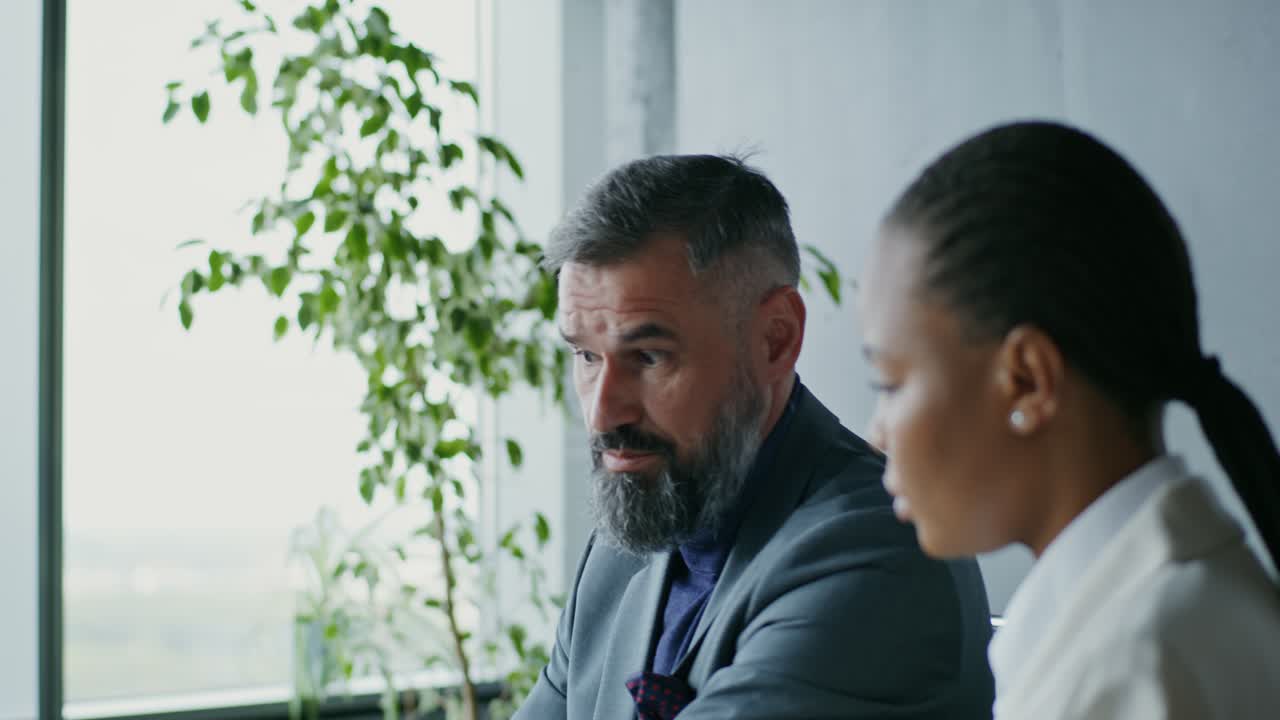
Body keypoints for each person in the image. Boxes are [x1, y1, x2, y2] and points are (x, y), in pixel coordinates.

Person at [514, 154, 995, 719]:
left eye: (648, 356)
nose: (601, 416)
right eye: (586, 355)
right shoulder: (622, 548)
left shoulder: (883, 551)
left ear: (774, 339)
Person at [858, 120, 1280, 719]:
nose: (877, 433)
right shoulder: (1158, 610)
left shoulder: (1142, 663)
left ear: (1028, 379)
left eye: (889, 384)